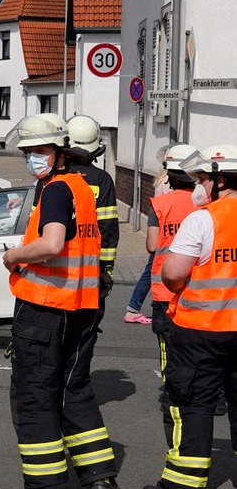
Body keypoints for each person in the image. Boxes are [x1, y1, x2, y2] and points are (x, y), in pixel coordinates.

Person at [0, 113, 124, 489]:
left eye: (38, 151)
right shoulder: (83, 189)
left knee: (36, 395)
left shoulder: (53, 190)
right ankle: (101, 482)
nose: (33, 159)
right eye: (29, 153)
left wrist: (13, 256)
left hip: (44, 311)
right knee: (76, 390)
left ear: (59, 152)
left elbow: (52, 244)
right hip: (82, 309)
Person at [141, 142, 237, 489]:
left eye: (202, 178)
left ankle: (183, 487)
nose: (199, 185)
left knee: (194, 403)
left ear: (219, 178)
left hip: (202, 330)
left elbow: (173, 272)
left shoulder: (203, 219)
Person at [145, 144, 203, 394]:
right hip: (198, 289)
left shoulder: (159, 204)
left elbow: (150, 245)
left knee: (169, 344)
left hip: (165, 290)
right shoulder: (205, 205)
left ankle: (175, 389)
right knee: (199, 345)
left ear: (168, 175)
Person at [64, 114, 119, 318]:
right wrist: (105, 269)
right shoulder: (102, 179)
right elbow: (108, 228)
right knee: (84, 333)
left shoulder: (53, 176)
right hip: (89, 269)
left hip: (54, 271)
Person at [124, 165, 171, 324]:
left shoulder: (160, 179)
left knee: (150, 271)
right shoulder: (167, 180)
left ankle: (133, 308)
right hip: (165, 234)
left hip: (159, 232)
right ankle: (133, 308)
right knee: (150, 272)